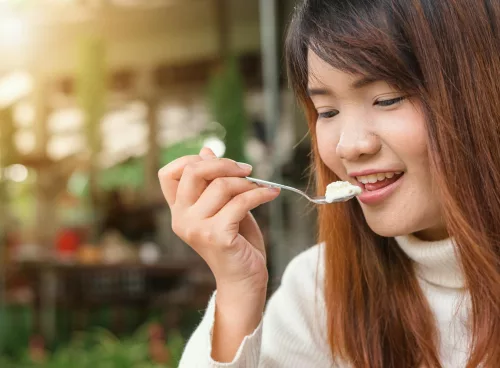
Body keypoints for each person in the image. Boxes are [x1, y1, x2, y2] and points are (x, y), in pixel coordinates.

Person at [158, 0, 500, 366]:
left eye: (387, 99)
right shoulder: (320, 290)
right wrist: (239, 292)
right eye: (328, 112)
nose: (348, 146)